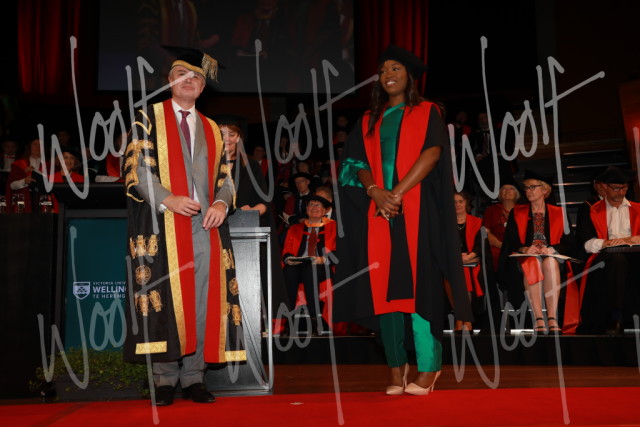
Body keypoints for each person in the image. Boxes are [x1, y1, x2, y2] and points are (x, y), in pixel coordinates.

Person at [334, 45, 471, 396]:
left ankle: (429, 366)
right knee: (384, 290)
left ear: (410, 75)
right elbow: (354, 163)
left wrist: (395, 193)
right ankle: (396, 368)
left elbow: (433, 152)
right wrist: (376, 193)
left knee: (420, 287)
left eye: (395, 68)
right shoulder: (369, 119)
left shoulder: (427, 111)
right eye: (382, 70)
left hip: (417, 214)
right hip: (379, 215)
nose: (388, 75)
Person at [122, 49, 245, 407]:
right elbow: (137, 168)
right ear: (170, 81)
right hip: (161, 222)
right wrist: (168, 199)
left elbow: (225, 177)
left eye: (195, 77)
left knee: (203, 298)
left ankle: (194, 377)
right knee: (164, 297)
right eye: (181, 74)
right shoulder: (148, 117)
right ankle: (164, 379)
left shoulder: (212, 128)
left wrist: (221, 203)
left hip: (205, 225)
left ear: (202, 87)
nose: (188, 80)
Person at [498, 171, 576, 335]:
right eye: (526, 188)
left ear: (545, 190)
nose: (528, 191)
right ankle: (538, 317)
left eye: (533, 187)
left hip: (553, 259)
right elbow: (511, 241)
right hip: (524, 260)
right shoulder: (517, 212)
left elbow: (569, 242)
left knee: (550, 262)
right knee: (533, 262)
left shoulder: (559, 213)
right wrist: (525, 249)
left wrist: (552, 249)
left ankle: (552, 318)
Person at [568, 166, 640, 335]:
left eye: (624, 188)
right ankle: (616, 316)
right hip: (604, 256)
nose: (621, 192)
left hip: (635, 253)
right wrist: (609, 243)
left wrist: (631, 240)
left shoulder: (638, 209)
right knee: (617, 260)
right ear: (605, 187)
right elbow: (587, 244)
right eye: (616, 188)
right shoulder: (591, 209)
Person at [281, 195, 336, 336]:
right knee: (289, 271)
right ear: (306, 209)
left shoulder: (333, 227)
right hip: (298, 265)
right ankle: (288, 320)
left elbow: (339, 250)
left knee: (309, 269)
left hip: (322, 266)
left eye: (318, 205)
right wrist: (289, 259)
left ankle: (315, 319)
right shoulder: (295, 228)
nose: (314, 207)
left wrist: (322, 259)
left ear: (324, 210)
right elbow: (287, 250)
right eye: (311, 205)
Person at [445, 191, 484, 333]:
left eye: (460, 201)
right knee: (456, 274)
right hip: (450, 262)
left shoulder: (477, 222)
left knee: (465, 272)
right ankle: (465, 319)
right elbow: (442, 245)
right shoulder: (445, 224)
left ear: (466, 203)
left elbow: (480, 245)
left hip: (473, 261)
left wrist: (469, 257)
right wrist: (456, 258)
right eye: (454, 202)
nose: (457, 204)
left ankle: (461, 318)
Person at [482, 182, 521, 272]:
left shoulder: (523, 209)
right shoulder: (491, 210)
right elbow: (486, 232)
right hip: (497, 245)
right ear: (499, 193)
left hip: (518, 246)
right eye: (504, 188)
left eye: (511, 188)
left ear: (516, 194)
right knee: (493, 254)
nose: (507, 191)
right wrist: (500, 244)